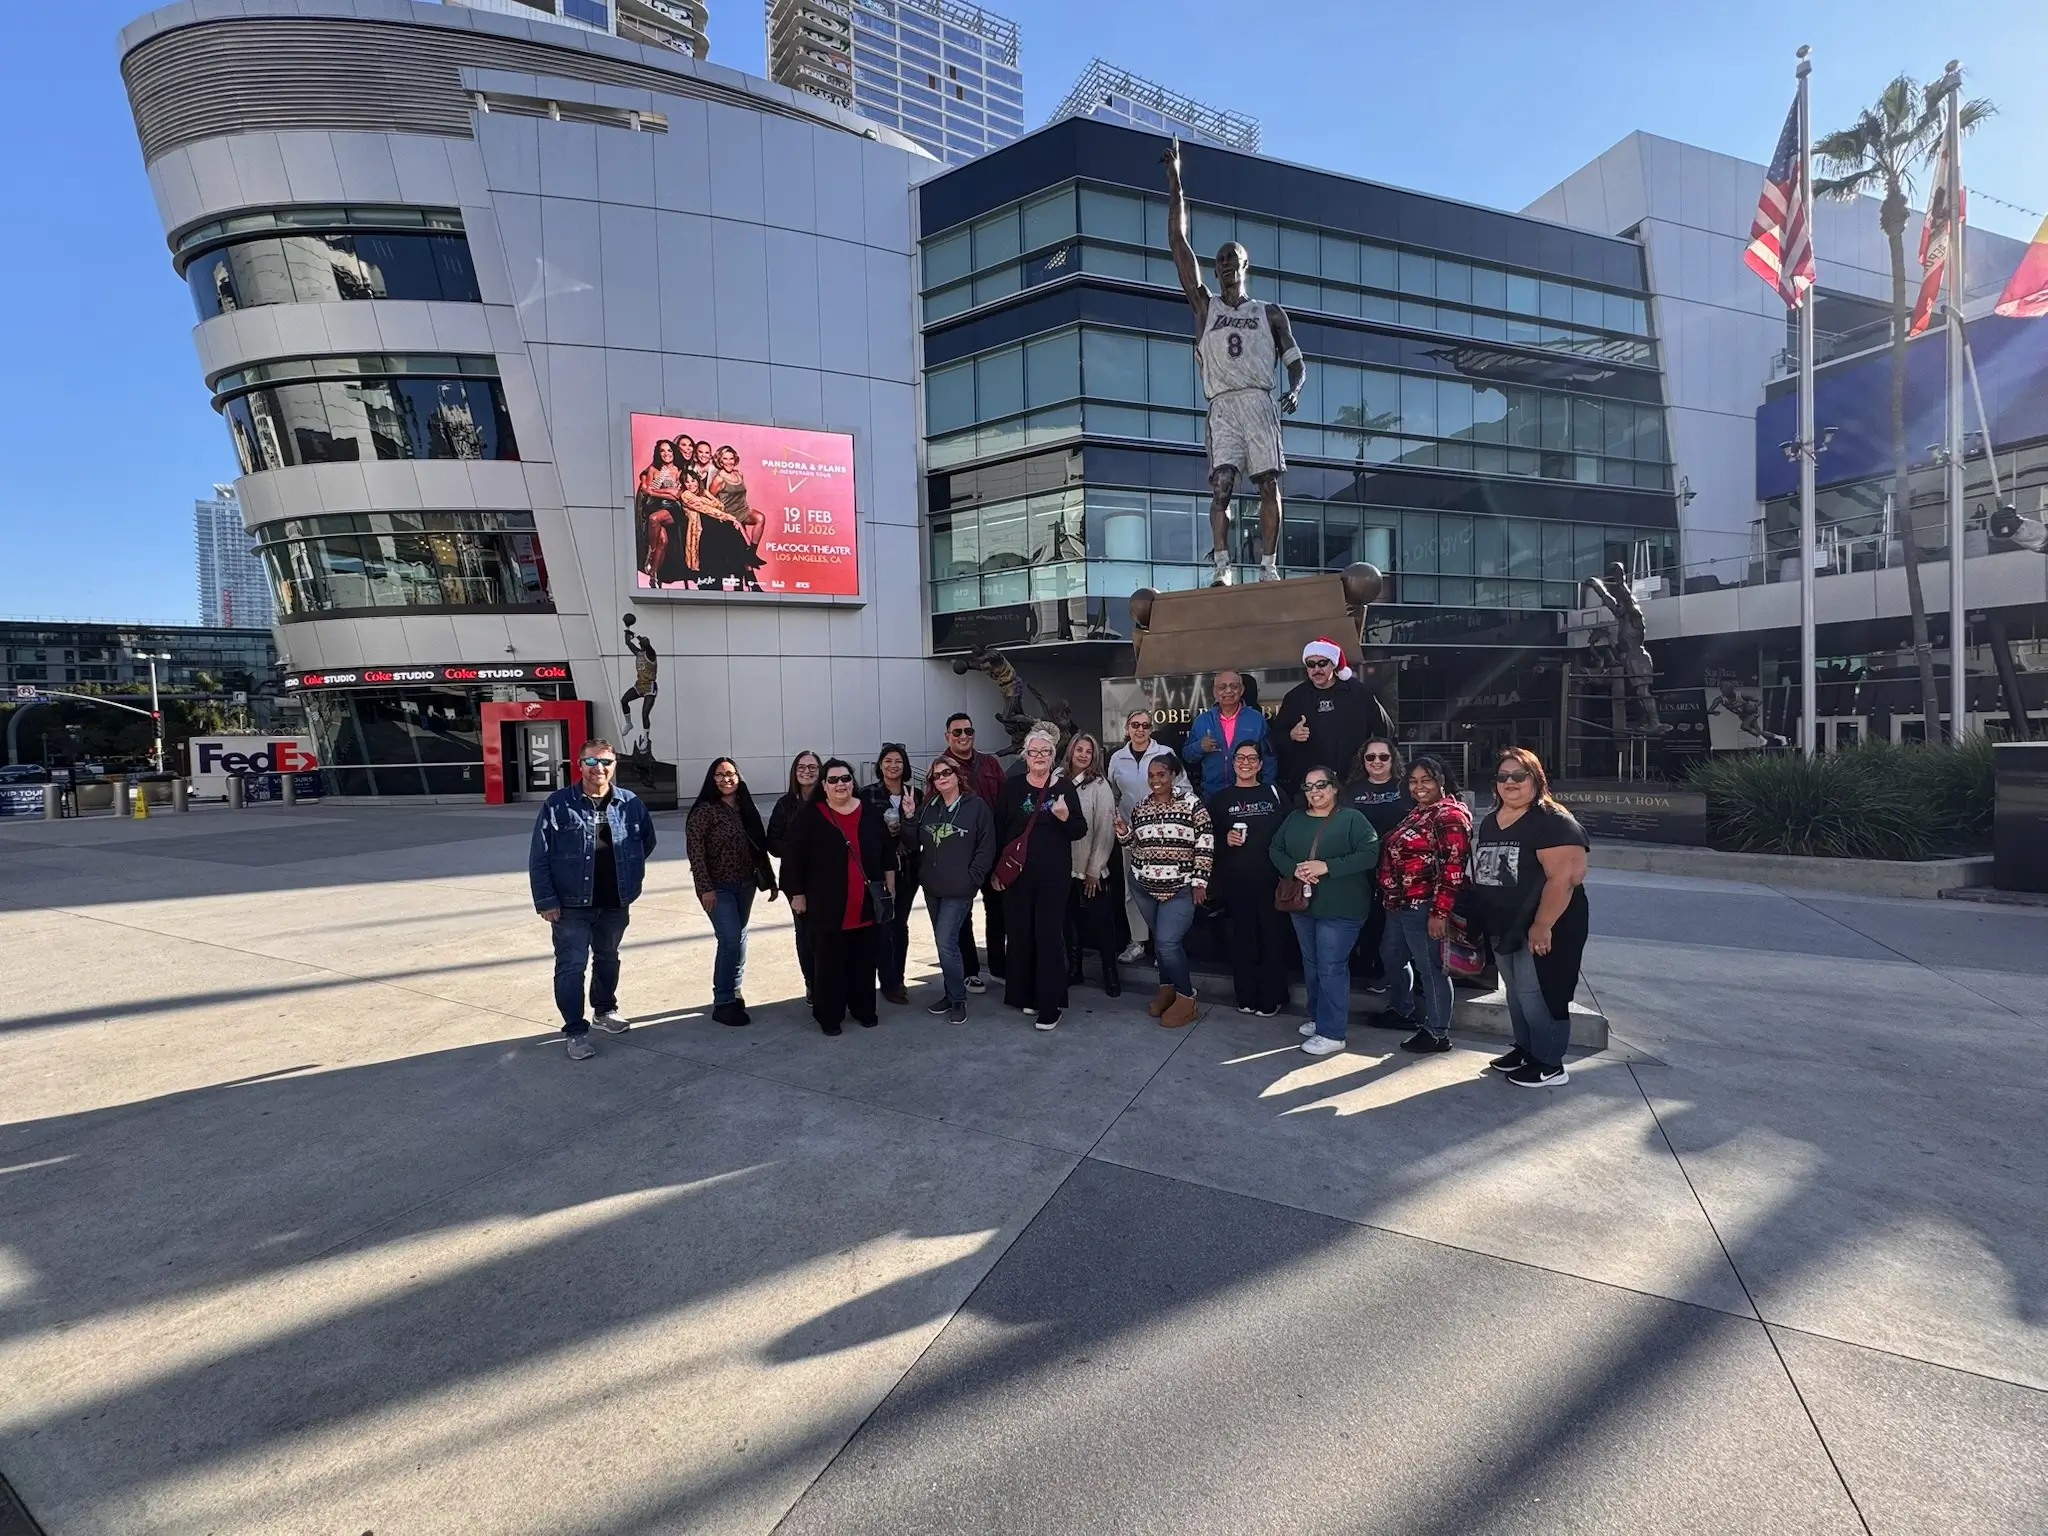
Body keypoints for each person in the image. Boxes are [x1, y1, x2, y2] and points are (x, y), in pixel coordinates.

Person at [1163, 139, 1306, 586]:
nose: (1226, 264)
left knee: (1269, 484)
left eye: (1233, 258)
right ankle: (1222, 566)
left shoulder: (1269, 313)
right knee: (1221, 485)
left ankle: (1268, 567)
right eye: (1220, 259)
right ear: (1215, 269)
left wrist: (1295, 388)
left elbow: (1296, 360)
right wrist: (1176, 182)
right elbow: (1178, 242)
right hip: (1223, 404)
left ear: (1246, 265)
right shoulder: (1205, 307)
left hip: (1259, 401)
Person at [528, 739, 657, 1061]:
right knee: (571, 966)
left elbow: (646, 842)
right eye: (591, 762)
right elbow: (540, 855)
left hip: (615, 902)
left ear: (614, 765)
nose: (599, 768)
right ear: (579, 765)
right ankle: (575, 1030)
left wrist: (628, 874)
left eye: (606, 762)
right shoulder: (558, 804)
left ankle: (604, 1011)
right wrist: (546, 899)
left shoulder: (630, 803)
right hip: (571, 905)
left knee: (608, 958)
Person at [1468, 747, 1589, 1087]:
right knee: (1517, 992)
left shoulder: (1554, 822)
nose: (1511, 782)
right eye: (1503, 776)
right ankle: (1526, 1050)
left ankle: (1549, 1063)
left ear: (1536, 779)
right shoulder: (1491, 820)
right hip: (1504, 925)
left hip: (1544, 925)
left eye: (1519, 776)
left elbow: (1565, 878)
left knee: (1541, 993)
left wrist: (1542, 925)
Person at [1269, 764, 1379, 1056]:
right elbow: (1275, 849)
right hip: (1304, 906)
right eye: (1308, 786)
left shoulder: (1352, 819)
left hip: (1342, 906)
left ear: (1333, 788)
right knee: (1313, 963)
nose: (1314, 792)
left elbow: (1370, 854)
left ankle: (1332, 1033)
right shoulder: (1294, 819)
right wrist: (1294, 869)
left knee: (1331, 966)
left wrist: (1327, 866)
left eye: (1321, 785)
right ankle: (1320, 1018)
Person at [780, 758, 895, 1035]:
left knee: (863, 963)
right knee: (829, 966)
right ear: (824, 785)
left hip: (865, 903)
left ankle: (864, 1010)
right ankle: (829, 1017)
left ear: (852, 782)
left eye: (845, 778)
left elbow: (886, 851)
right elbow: (792, 858)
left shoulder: (869, 812)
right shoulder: (810, 816)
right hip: (826, 906)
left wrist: (890, 883)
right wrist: (797, 894)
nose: (840, 784)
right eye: (833, 780)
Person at [1375, 754, 1472, 1054]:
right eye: (1414, 781)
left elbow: (1454, 868)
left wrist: (1439, 913)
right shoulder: (1420, 812)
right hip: (1399, 904)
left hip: (1425, 905)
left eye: (1426, 780)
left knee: (1430, 969)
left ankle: (1437, 1032)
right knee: (1391, 955)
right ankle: (1402, 1009)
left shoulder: (1449, 816)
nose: (1419, 786)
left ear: (1441, 780)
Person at [994, 724, 1087, 1030]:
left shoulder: (1064, 788)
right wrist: (997, 870)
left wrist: (1064, 817)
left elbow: (1079, 830)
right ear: (1025, 755)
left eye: (1045, 752)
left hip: (1053, 877)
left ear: (1052, 755)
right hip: (1019, 876)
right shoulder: (1012, 787)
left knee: (1048, 936)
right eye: (1033, 752)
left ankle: (1050, 1004)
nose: (1039, 756)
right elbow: (1000, 829)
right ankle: (1028, 995)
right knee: (1021, 934)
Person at [1117, 754, 1214, 1028]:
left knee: (1167, 943)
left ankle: (1186, 997)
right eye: (1151, 775)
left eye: (1161, 774)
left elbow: (1205, 842)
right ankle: (1167, 988)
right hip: (1143, 885)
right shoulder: (1141, 807)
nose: (1155, 780)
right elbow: (1135, 845)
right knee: (1161, 938)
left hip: (1180, 888)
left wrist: (1200, 881)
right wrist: (1124, 833)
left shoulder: (1192, 804)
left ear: (1173, 775)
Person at [685, 757, 775, 1027]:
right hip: (718, 888)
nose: (726, 779)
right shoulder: (704, 811)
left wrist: (770, 880)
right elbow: (696, 854)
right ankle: (723, 1001)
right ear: (711, 780)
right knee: (730, 939)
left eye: (731, 774)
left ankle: (734, 990)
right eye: (720, 775)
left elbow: (758, 847)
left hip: (746, 884)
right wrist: (705, 889)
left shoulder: (745, 807)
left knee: (740, 938)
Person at [1206, 738, 1293, 1016]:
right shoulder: (1220, 799)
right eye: (1240, 758)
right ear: (1232, 763)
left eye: (1251, 758)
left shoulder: (1274, 793)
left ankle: (1271, 997)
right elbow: (1205, 839)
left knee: (1272, 939)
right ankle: (1245, 995)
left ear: (1260, 763)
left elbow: (1292, 830)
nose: (1246, 763)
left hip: (1272, 881)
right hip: (1236, 883)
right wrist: (1224, 839)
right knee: (1242, 940)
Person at [917, 753, 996, 1023]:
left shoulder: (976, 806)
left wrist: (973, 877)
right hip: (933, 887)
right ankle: (951, 993)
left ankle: (958, 999)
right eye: (936, 775)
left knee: (946, 942)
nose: (942, 778)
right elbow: (913, 840)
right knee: (944, 944)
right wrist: (909, 816)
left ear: (957, 775)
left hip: (960, 889)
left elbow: (987, 844)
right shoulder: (928, 807)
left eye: (946, 772)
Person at [934, 712, 1008, 992]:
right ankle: (969, 971)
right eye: (957, 732)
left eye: (968, 731)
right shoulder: (941, 767)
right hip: (959, 855)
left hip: (992, 849)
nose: (963, 736)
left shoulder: (990, 763)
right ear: (947, 736)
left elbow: (1004, 803)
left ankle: (999, 966)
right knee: (961, 914)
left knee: (997, 909)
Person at [1105, 707, 1178, 964]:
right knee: (1131, 890)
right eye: (1135, 725)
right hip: (1130, 835)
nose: (1140, 730)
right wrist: (1118, 821)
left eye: (1145, 725)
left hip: (1163, 834)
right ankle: (1137, 941)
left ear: (1151, 728)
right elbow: (1112, 794)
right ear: (1127, 728)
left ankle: (1163, 945)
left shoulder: (1165, 753)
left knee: (1163, 890)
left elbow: (1183, 789)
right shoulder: (1117, 758)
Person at [1343, 737, 1413, 991]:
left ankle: (1397, 976)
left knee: (1395, 923)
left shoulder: (1406, 788)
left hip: (1400, 869)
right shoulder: (1351, 791)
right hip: (1362, 867)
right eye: (1370, 757)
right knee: (1367, 919)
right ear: (1363, 760)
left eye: (1383, 756)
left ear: (1393, 759)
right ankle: (1369, 969)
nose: (1377, 762)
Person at [1274, 637, 1383, 793]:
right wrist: (1291, 735)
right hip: (1312, 785)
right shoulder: (1295, 698)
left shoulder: (1359, 693)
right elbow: (1275, 737)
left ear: (1333, 664)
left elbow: (1382, 731)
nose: (1316, 669)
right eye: (1311, 664)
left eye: (1322, 663)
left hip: (1355, 779)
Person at [860, 743, 923, 1005]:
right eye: (887, 761)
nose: (893, 766)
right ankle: (887, 982)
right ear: (880, 765)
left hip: (908, 869)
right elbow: (862, 831)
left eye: (898, 761)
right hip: (879, 870)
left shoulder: (916, 794)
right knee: (883, 925)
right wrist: (887, 837)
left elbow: (921, 831)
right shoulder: (867, 794)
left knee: (900, 925)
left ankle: (898, 978)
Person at [1062, 732, 1121, 997]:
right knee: (1069, 923)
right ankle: (1074, 970)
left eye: (1089, 751)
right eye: (1080, 750)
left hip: (1091, 870)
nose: (1084, 755)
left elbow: (1105, 830)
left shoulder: (1099, 785)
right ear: (1071, 751)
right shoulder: (1057, 779)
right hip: (1063, 869)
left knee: (1102, 925)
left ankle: (1110, 975)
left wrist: (1094, 869)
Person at [767, 750, 822, 999]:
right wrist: (795, 851)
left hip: (827, 878)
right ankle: (812, 982)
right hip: (796, 880)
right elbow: (772, 842)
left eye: (812, 767)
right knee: (805, 934)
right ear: (794, 772)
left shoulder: (828, 799)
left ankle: (829, 982)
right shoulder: (785, 804)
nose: (806, 772)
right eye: (801, 767)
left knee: (829, 933)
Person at [1181, 669, 1274, 796]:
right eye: (1222, 687)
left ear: (1241, 690)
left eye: (1234, 686)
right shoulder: (1202, 720)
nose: (1228, 691)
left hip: (1248, 793)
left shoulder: (1256, 719)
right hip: (1212, 794)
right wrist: (1199, 747)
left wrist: (1267, 789)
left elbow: (1269, 759)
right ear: (1215, 692)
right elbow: (1187, 755)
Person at [634, 439, 684, 588]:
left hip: (672, 509)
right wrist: (667, 491)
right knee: (662, 540)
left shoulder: (679, 470)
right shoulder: (653, 469)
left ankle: (651, 552)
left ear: (674, 452)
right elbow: (647, 491)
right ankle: (653, 575)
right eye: (662, 451)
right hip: (654, 505)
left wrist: (657, 491)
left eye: (669, 450)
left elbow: (677, 496)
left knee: (654, 519)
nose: (666, 454)